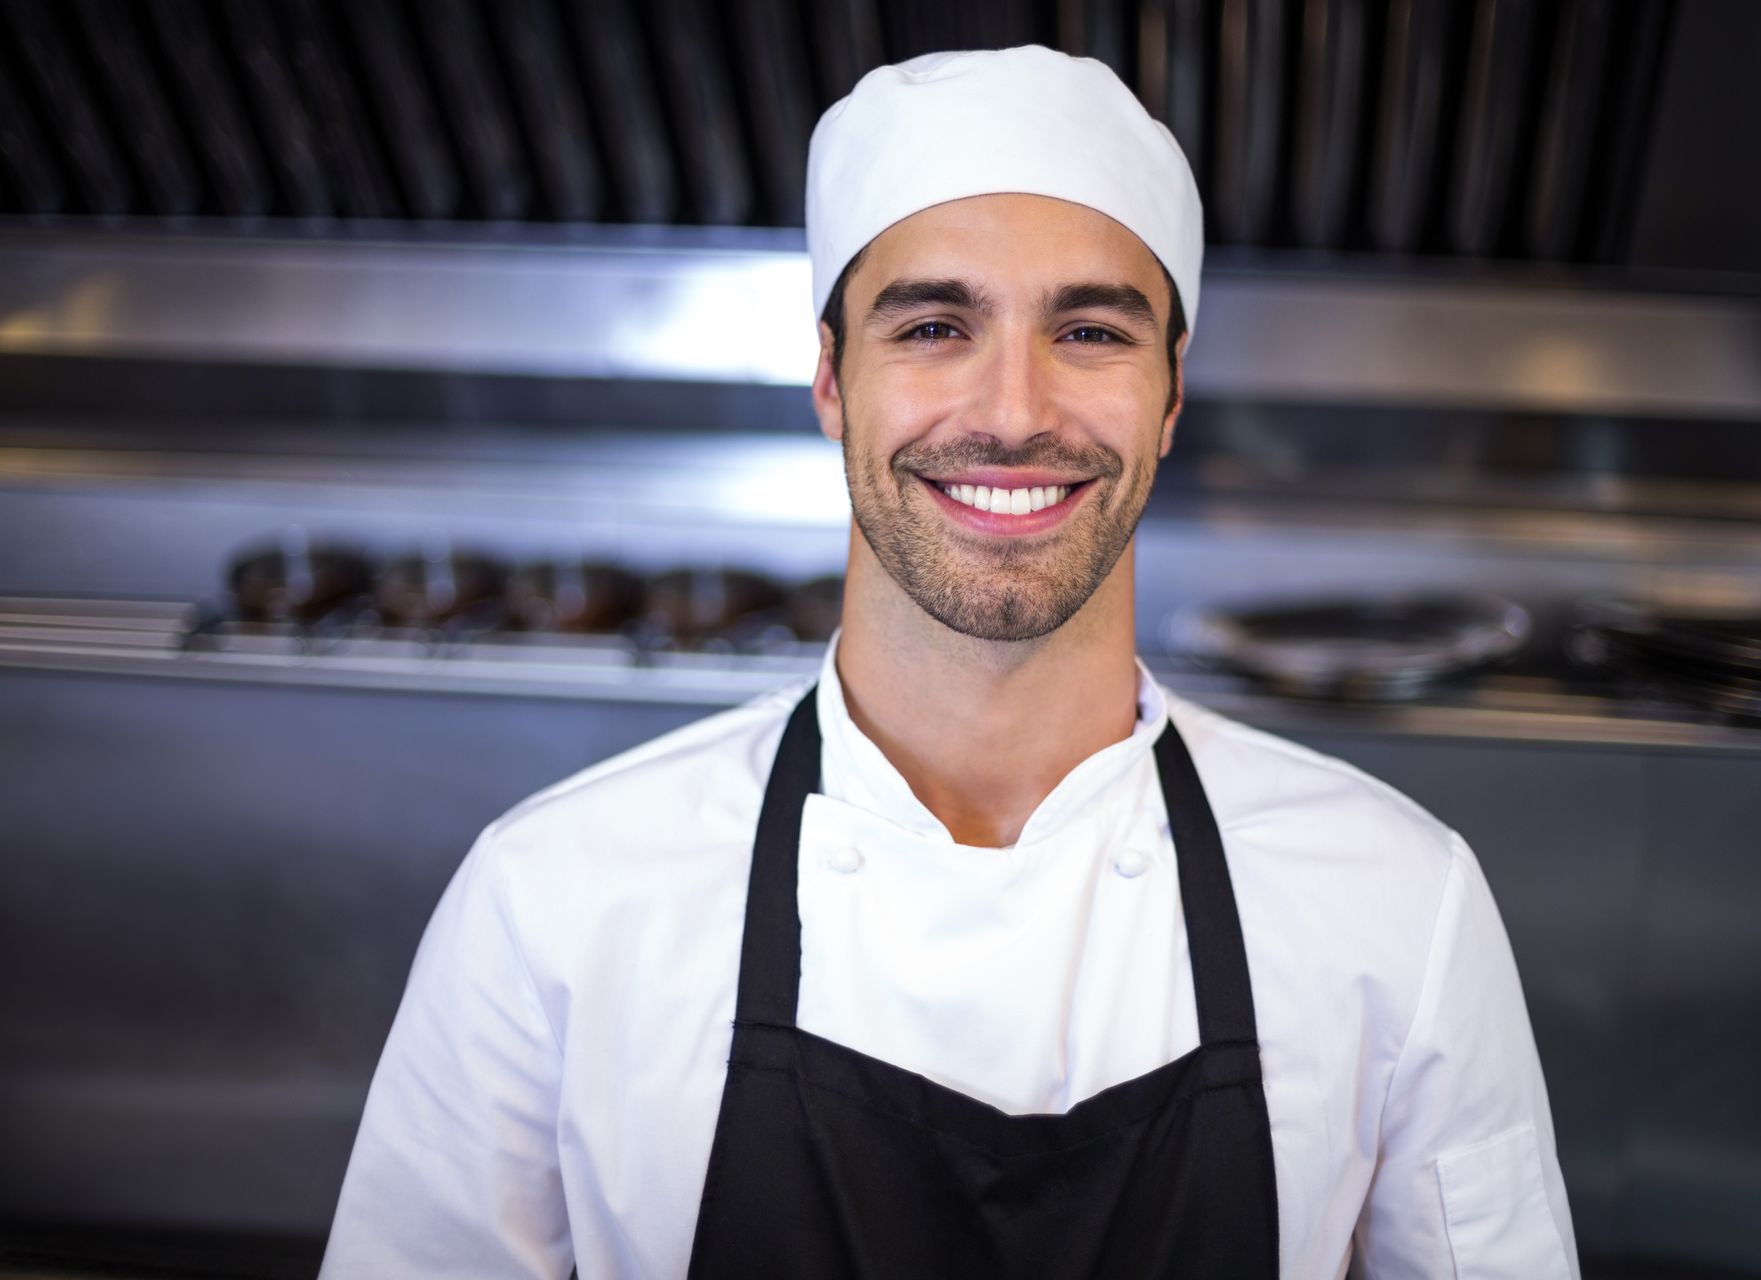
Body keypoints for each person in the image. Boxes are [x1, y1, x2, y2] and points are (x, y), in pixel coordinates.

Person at [320, 45, 1578, 1279]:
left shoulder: (1396, 905)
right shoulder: (555, 900)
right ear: (829, 377)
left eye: (1090, 331)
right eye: (932, 324)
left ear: (1174, 393)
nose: (1016, 409)